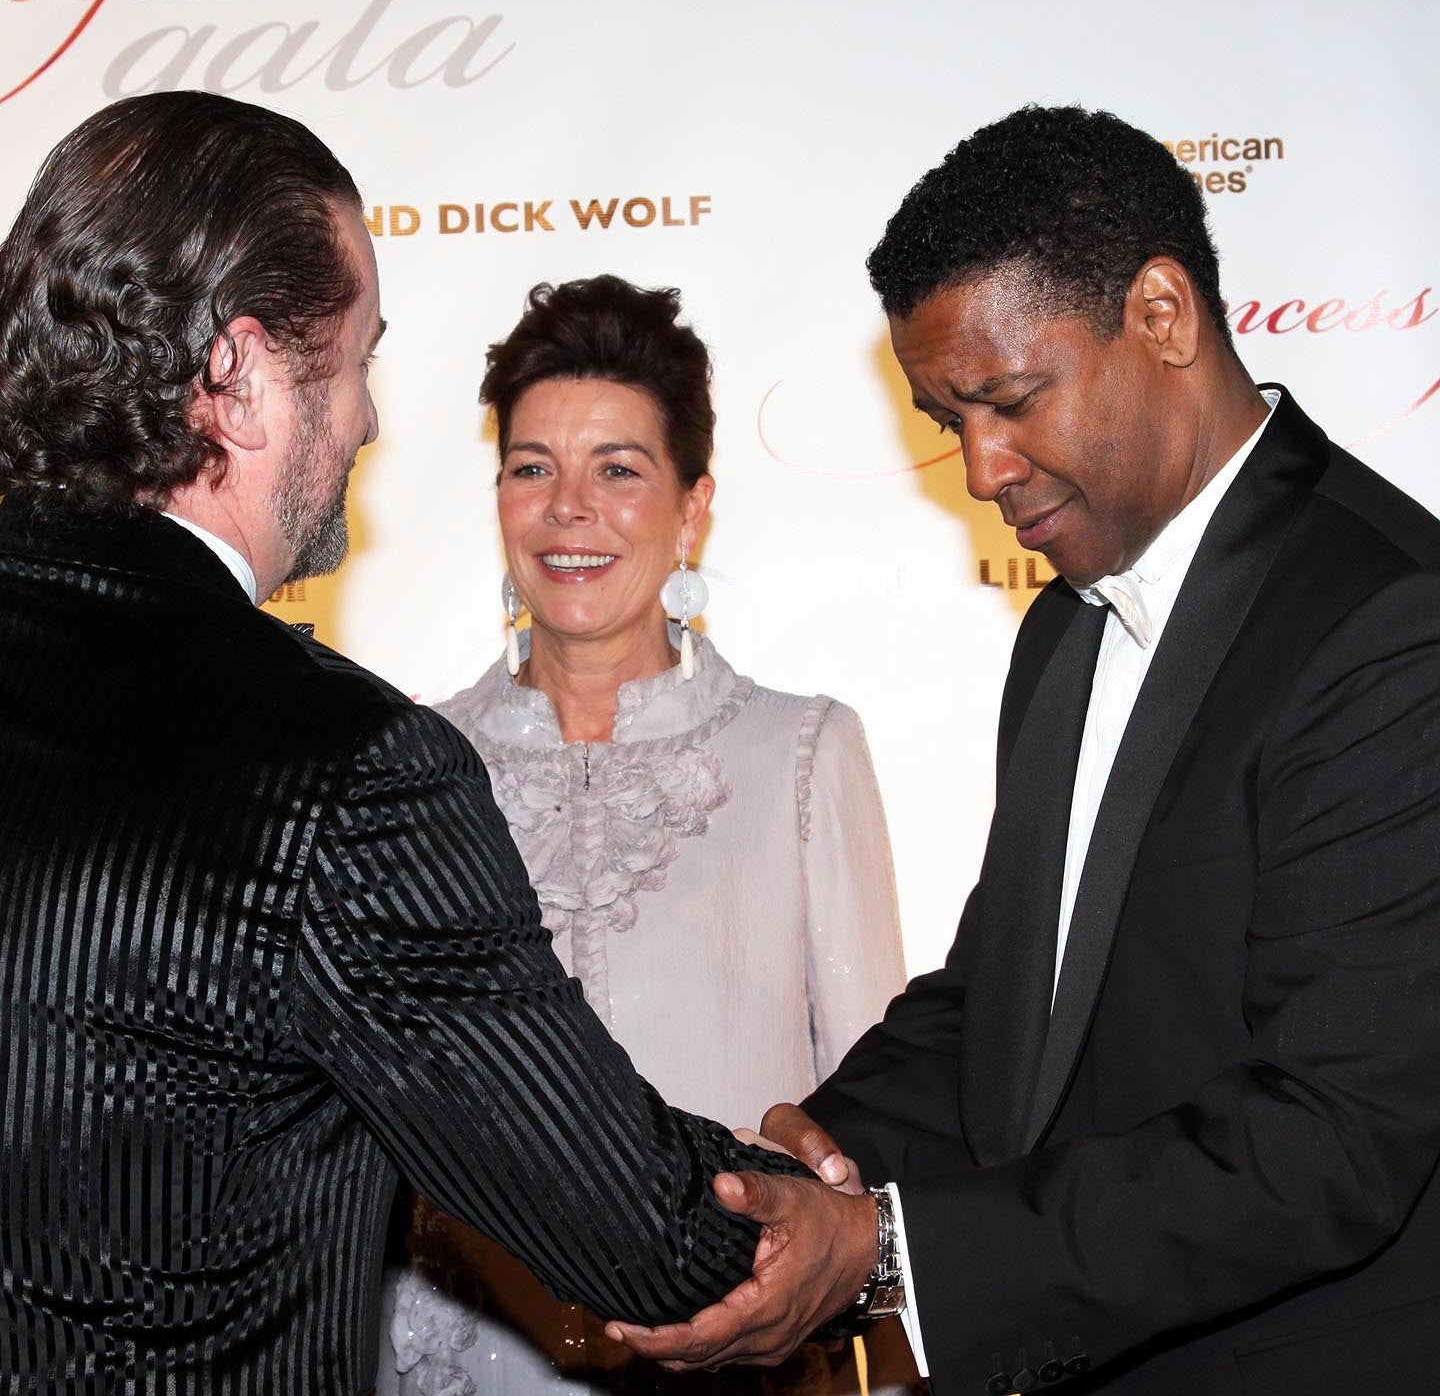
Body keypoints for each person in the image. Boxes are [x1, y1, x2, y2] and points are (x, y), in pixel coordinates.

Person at [609, 105, 1440, 1395]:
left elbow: (1329, 1141)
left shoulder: (1392, 622)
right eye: (950, 421)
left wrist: (889, 1249)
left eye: (1007, 400)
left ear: (1162, 315)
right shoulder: (1065, 631)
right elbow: (1008, 995)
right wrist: (796, 1169)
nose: (984, 470)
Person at [0, 93, 808, 1395]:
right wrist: (841, 1226)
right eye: (362, 355)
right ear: (243, 375)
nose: (369, 421)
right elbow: (634, 1230)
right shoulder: (337, 767)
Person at [380, 274, 911, 1396]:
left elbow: (870, 1117)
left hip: (733, 1365)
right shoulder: (409, 766)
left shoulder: (801, 754)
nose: (569, 509)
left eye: (618, 469)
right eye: (532, 469)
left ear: (692, 506)